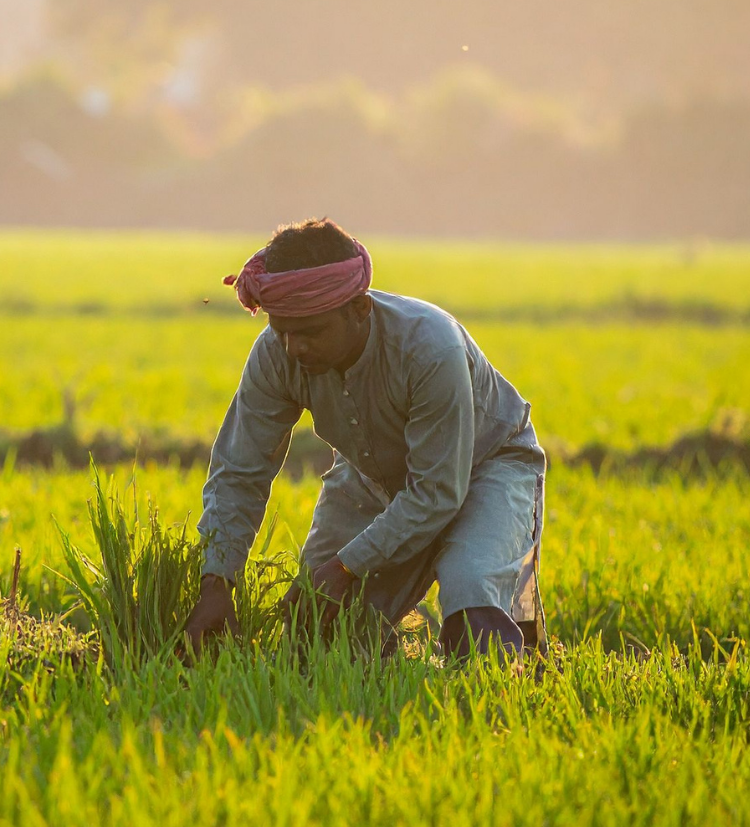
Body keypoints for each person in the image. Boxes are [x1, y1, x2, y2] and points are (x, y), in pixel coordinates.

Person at [183, 218, 548, 658]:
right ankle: (383, 677)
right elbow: (239, 471)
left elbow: (436, 493)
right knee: (314, 634)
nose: (294, 348)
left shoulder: (430, 347)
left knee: (473, 603)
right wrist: (217, 581)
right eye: (283, 331)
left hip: (486, 466)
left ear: (359, 309)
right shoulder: (277, 355)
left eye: (310, 332)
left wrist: (346, 566)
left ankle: (510, 675)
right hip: (373, 476)